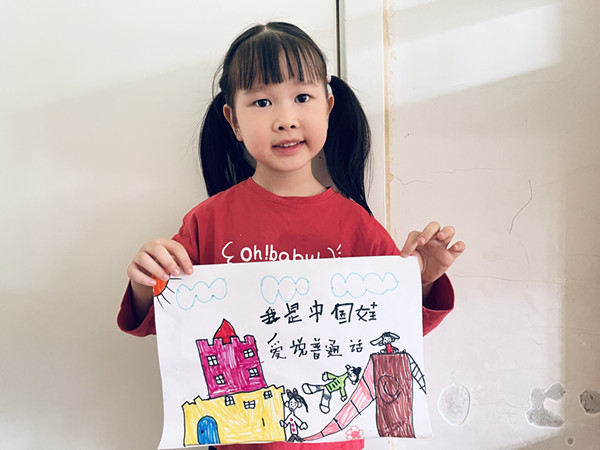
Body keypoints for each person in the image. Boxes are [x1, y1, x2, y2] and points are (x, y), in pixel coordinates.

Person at [118, 21, 465, 450]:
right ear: (233, 120)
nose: (285, 119)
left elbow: (393, 336)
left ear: (328, 107)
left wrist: (423, 279)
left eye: (302, 97)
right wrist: (145, 280)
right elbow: (165, 325)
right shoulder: (207, 222)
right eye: (262, 102)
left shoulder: (357, 226)